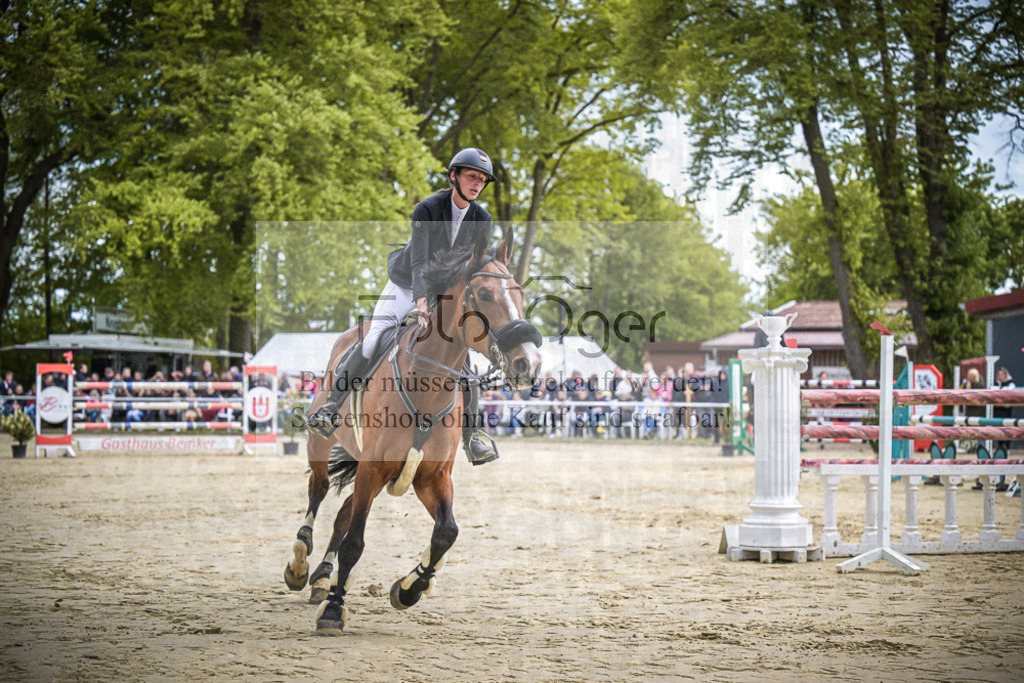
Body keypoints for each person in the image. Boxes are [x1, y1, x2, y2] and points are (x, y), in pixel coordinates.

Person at [310, 148, 500, 465]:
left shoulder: (483, 220)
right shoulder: (428, 208)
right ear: (454, 176)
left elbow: (472, 266)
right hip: (405, 284)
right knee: (372, 340)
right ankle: (331, 407)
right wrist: (421, 302)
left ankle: (472, 437)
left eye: (481, 179)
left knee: (464, 365)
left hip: (445, 293)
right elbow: (420, 262)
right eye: (471, 176)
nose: (477, 183)